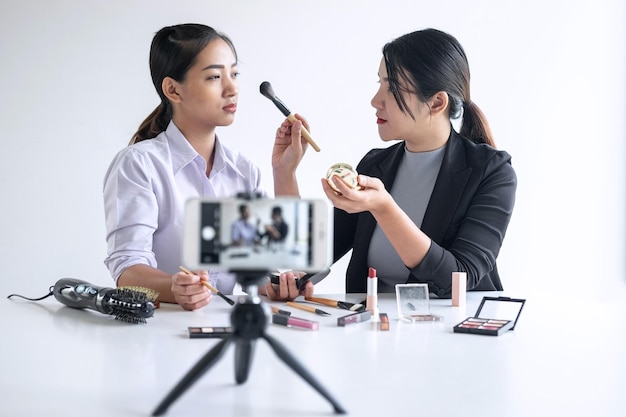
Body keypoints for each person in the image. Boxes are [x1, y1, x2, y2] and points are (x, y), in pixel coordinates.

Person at [266, 28, 516, 300]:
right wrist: (284, 172)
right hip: (375, 334)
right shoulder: (376, 165)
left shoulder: (492, 171)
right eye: (380, 84)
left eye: (393, 87)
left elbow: (458, 280)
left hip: (454, 336)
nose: (376, 101)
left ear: (436, 102)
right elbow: (309, 259)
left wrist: (383, 208)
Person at [103, 24, 309, 311]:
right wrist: (173, 287)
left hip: (225, 329)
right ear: (173, 89)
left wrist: (284, 173)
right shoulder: (139, 165)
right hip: (159, 331)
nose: (232, 88)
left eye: (234, 74)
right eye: (214, 76)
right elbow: (127, 270)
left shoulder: (245, 172)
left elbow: (262, 268)